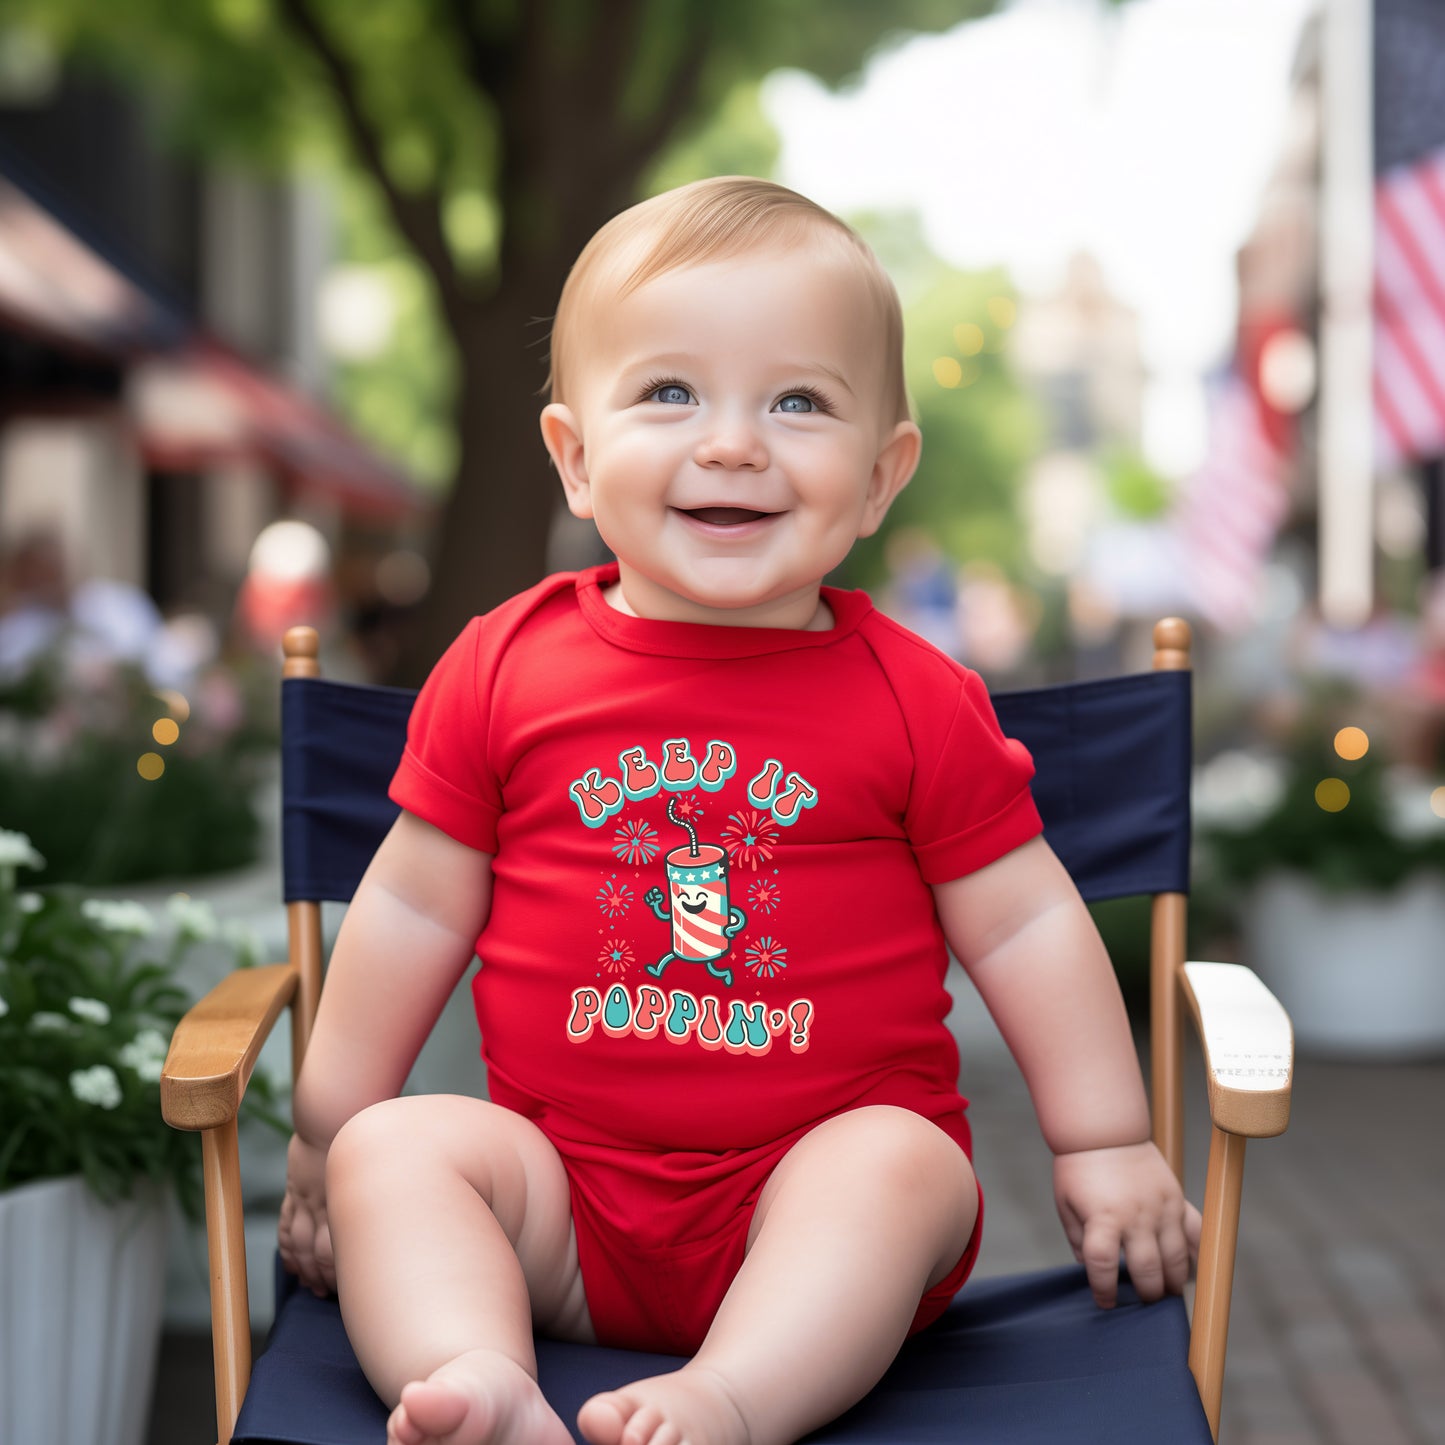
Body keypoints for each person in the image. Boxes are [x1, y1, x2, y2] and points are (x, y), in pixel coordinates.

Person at [278, 177, 1201, 1445]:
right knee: (397, 1152)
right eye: (668, 392)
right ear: (575, 457)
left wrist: (1102, 1139)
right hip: (567, 1213)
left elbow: (1027, 925)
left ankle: (728, 1400)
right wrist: (327, 1130)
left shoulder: (914, 696)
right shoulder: (502, 666)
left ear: (880, 477)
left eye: (797, 401)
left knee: (896, 1159)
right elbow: (410, 901)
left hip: (822, 1225)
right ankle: (480, 1375)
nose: (730, 443)